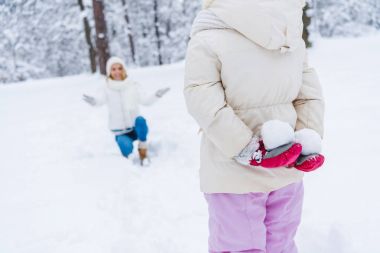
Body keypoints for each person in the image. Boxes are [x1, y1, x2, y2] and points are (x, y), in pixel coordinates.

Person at [184, 0, 324, 252]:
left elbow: (202, 100)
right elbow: (308, 95)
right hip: (287, 167)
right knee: (281, 245)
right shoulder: (288, 31)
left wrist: (247, 148)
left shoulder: (209, 35)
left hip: (233, 175)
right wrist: (307, 139)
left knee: (238, 247)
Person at [83, 57, 170, 164]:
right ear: (109, 71)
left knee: (141, 120)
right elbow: (99, 101)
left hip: (135, 127)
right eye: (113, 69)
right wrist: (93, 101)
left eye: (119, 68)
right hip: (120, 131)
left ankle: (143, 149)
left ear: (123, 69)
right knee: (126, 151)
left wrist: (157, 95)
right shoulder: (106, 87)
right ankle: (129, 164)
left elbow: (145, 101)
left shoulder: (133, 85)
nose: (117, 72)